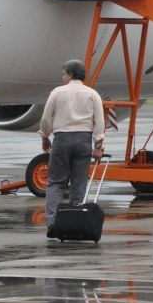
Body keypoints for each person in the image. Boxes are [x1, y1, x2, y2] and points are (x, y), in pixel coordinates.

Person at [40, 59, 105, 238]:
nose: (62, 77)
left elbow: (46, 119)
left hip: (62, 139)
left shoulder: (57, 92)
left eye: (64, 74)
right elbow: (99, 122)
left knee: (55, 183)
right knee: (79, 183)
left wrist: (45, 136)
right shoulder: (93, 94)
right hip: (84, 140)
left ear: (70, 74)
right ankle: (75, 221)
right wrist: (98, 146)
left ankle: (52, 223)